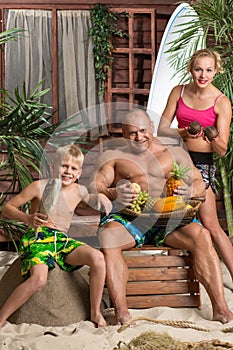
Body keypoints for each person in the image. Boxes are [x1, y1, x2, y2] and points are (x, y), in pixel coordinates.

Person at [89, 108, 233, 325]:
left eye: (143, 131)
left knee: (202, 235)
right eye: (132, 133)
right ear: (123, 134)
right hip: (129, 220)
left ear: (152, 128)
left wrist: (191, 191)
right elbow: (95, 185)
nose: (139, 137)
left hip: (169, 220)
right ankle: (122, 313)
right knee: (109, 238)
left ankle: (221, 309)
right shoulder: (113, 156)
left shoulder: (175, 152)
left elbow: (199, 182)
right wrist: (113, 192)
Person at [0, 144, 112, 329]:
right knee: (39, 279)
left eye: (73, 168)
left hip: (61, 240)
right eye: (64, 166)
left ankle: (95, 313)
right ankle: (2, 317)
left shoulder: (79, 190)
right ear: (53, 167)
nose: (68, 171)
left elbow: (94, 197)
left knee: (98, 258)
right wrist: (27, 218)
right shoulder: (38, 186)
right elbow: (7, 208)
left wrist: (104, 197)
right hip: (39, 237)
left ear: (79, 173)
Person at [157, 48, 233, 282]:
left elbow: (221, 150)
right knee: (170, 217)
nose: (203, 74)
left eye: (209, 70)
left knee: (211, 224)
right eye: (199, 69)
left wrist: (212, 138)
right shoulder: (178, 92)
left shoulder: (222, 102)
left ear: (216, 71)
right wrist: (183, 131)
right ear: (191, 69)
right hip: (177, 159)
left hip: (202, 165)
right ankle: (172, 278)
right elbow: (161, 129)